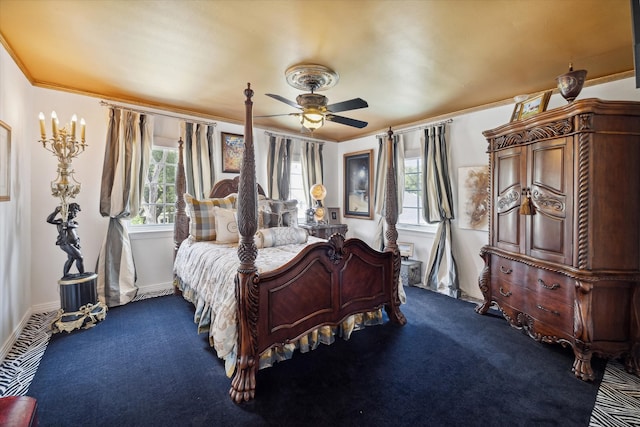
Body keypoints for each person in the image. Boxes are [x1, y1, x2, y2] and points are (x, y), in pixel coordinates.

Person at [47, 203, 85, 278]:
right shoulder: (61, 222)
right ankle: (82, 275)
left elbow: (74, 229)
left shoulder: (74, 223)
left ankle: (66, 274)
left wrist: (77, 241)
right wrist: (56, 212)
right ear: (69, 211)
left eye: (76, 213)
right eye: (74, 212)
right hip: (66, 243)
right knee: (80, 257)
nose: (75, 215)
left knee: (71, 259)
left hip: (74, 244)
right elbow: (49, 220)